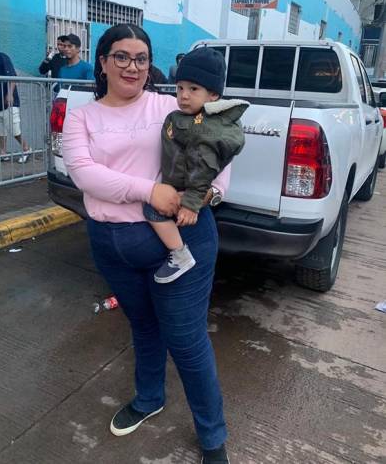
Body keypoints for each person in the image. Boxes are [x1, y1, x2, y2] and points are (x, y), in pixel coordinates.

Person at [62, 23, 231, 464]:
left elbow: (214, 150)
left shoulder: (169, 106)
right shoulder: (82, 116)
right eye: (121, 56)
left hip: (180, 238)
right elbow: (82, 172)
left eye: (140, 58)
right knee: (144, 326)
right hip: (111, 243)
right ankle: (150, 397)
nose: (131, 66)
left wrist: (210, 194)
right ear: (102, 61)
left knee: (186, 339)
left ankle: (212, 437)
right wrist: (147, 189)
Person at [144, 47, 248, 284]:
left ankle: (180, 254)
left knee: (150, 210)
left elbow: (204, 167)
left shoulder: (206, 126)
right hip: (178, 188)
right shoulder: (188, 117)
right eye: (180, 87)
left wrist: (190, 204)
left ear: (213, 95)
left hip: (188, 195)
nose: (183, 95)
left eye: (193, 89)